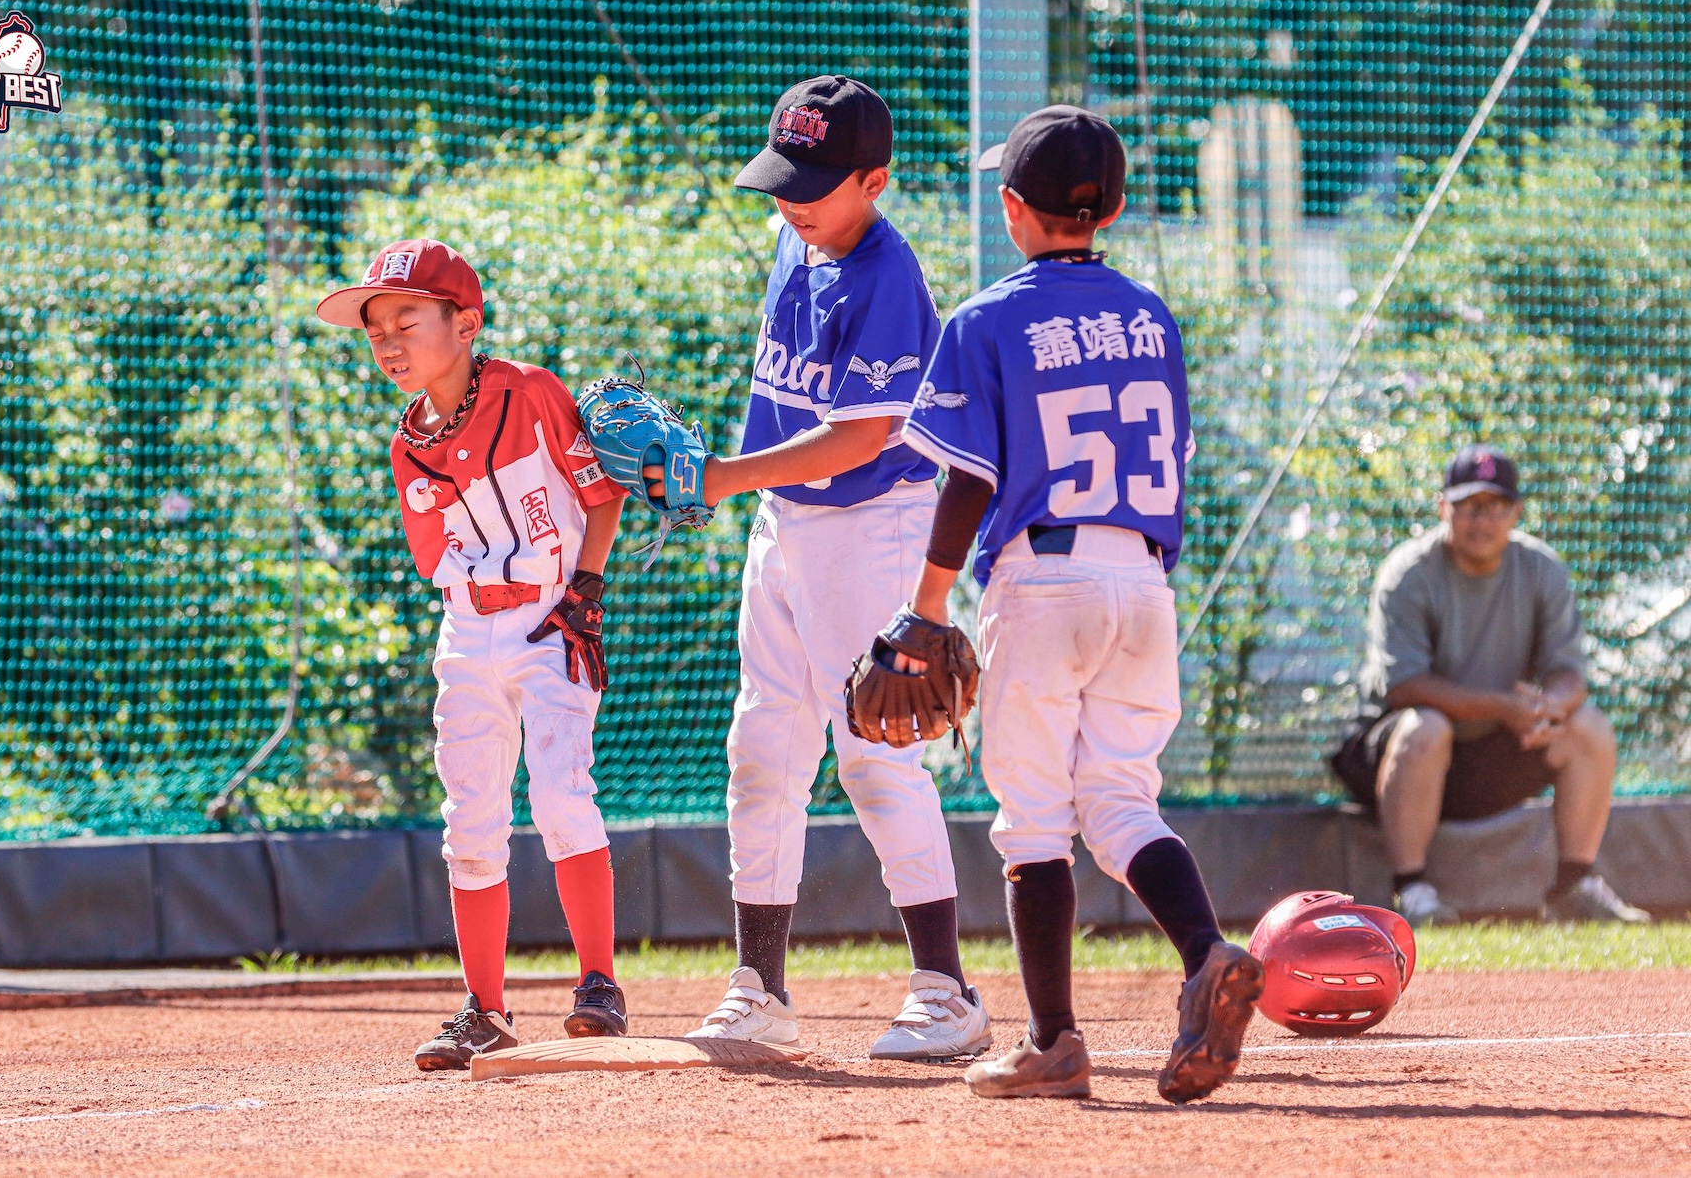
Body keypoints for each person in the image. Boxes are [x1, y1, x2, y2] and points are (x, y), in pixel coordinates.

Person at [885, 105, 1263, 1104]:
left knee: (1033, 817)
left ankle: (1053, 1039)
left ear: (1011, 209)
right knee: (1120, 800)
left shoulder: (987, 316)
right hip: (1142, 580)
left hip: (1043, 577)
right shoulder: (1149, 316)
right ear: (1117, 206)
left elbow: (968, 478)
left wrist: (926, 607)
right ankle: (1205, 951)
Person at [669, 75, 990, 1061]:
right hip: (785, 524)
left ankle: (947, 992)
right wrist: (733, 479)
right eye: (782, 181)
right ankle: (757, 989)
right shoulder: (797, 238)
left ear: (877, 179)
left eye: (814, 185)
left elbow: (856, 437)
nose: (792, 201)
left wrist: (719, 476)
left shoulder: (888, 275)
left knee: (873, 752)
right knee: (761, 749)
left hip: (871, 524)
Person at [316, 238, 634, 1070]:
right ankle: (485, 1008)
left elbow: (601, 497)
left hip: (552, 619)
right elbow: (437, 557)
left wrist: (586, 592)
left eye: (406, 320)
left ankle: (599, 984)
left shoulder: (528, 393)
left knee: (563, 798)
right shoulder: (406, 442)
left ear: (467, 322)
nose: (386, 341)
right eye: (375, 327)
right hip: (467, 634)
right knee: (471, 823)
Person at [1331, 445, 1648, 926]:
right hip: (1396, 756)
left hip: (1493, 753)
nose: (1482, 520)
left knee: (1588, 726)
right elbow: (1404, 688)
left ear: (1516, 512)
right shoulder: (1408, 572)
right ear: (1443, 508)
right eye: (1468, 506)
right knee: (1426, 726)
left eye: (1496, 506)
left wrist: (1550, 706)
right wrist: (1504, 708)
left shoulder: (1542, 569)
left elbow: (1569, 673)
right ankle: (1412, 895)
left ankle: (1574, 887)